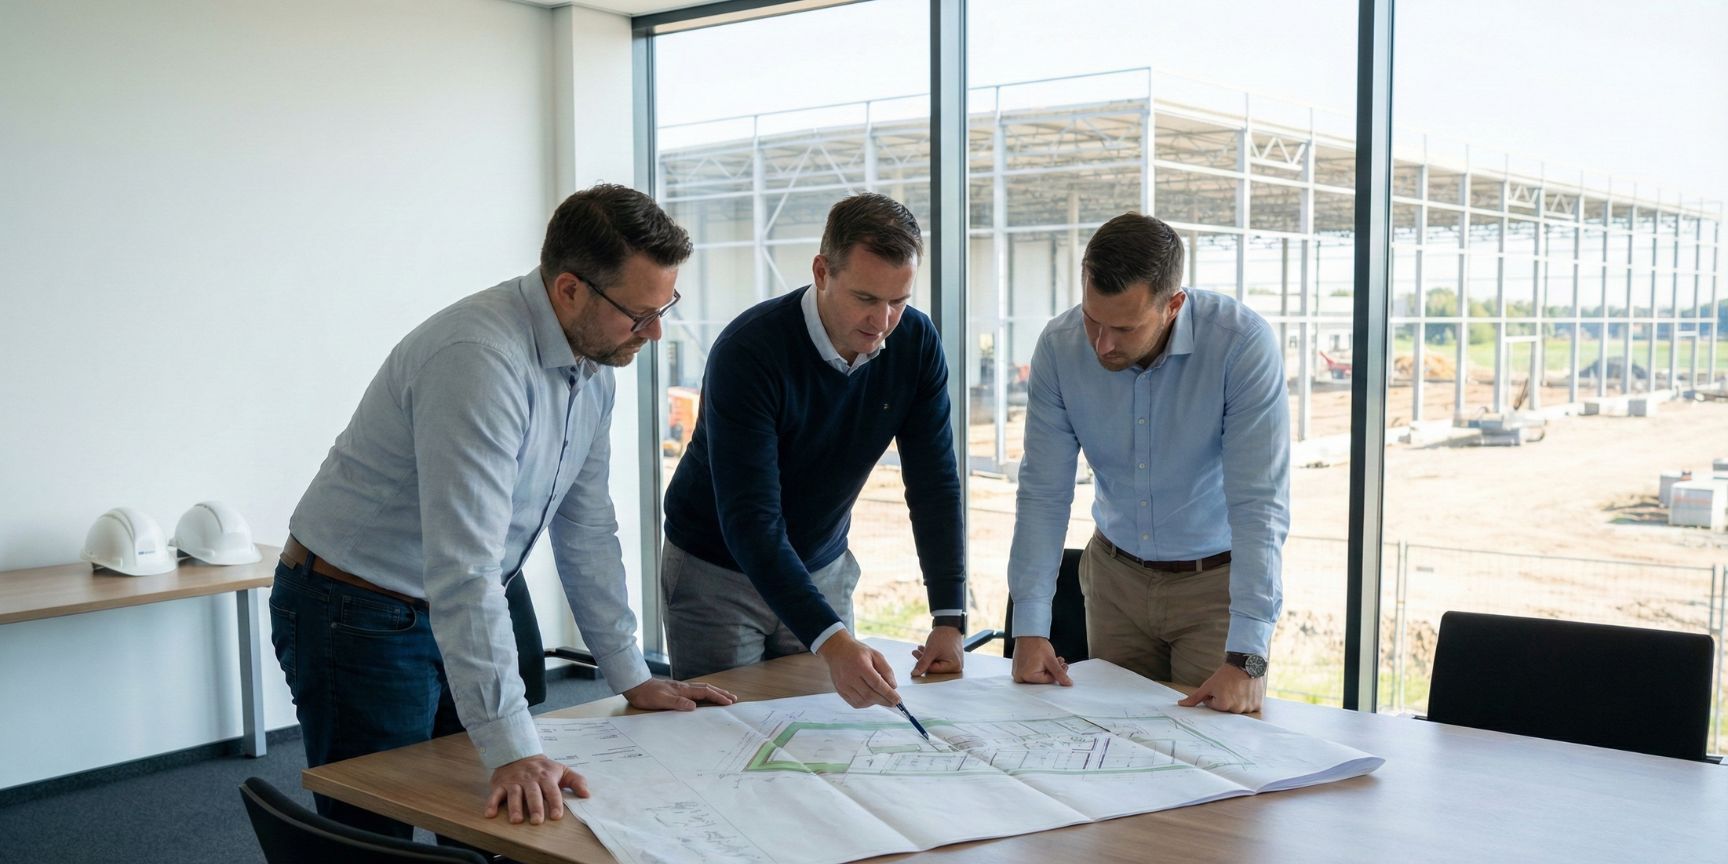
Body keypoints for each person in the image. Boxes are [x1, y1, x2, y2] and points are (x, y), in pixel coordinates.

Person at [271, 184, 736, 838]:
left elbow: (587, 530)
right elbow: (464, 566)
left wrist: (631, 674)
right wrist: (514, 747)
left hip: (455, 596)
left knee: (497, 822)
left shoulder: (593, 364)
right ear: (570, 289)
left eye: (665, 308)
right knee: (376, 835)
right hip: (357, 609)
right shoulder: (479, 359)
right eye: (639, 313)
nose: (655, 332)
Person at [661, 192, 967, 709]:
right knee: (726, 740)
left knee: (825, 737)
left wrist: (949, 617)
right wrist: (831, 638)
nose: (883, 320)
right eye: (866, 298)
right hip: (718, 574)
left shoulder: (915, 342)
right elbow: (752, 521)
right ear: (822, 272)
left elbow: (935, 482)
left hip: (823, 565)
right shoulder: (749, 351)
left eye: (899, 300)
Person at [1006, 211, 1289, 713]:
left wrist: (1248, 658)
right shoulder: (1058, 346)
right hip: (1114, 583)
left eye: (1124, 327)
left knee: (1214, 755)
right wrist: (1029, 629)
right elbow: (1043, 493)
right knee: (1115, 746)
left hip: (1215, 591)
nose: (1102, 344)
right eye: (1093, 318)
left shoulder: (1241, 346)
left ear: (1173, 305)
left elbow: (1259, 505)